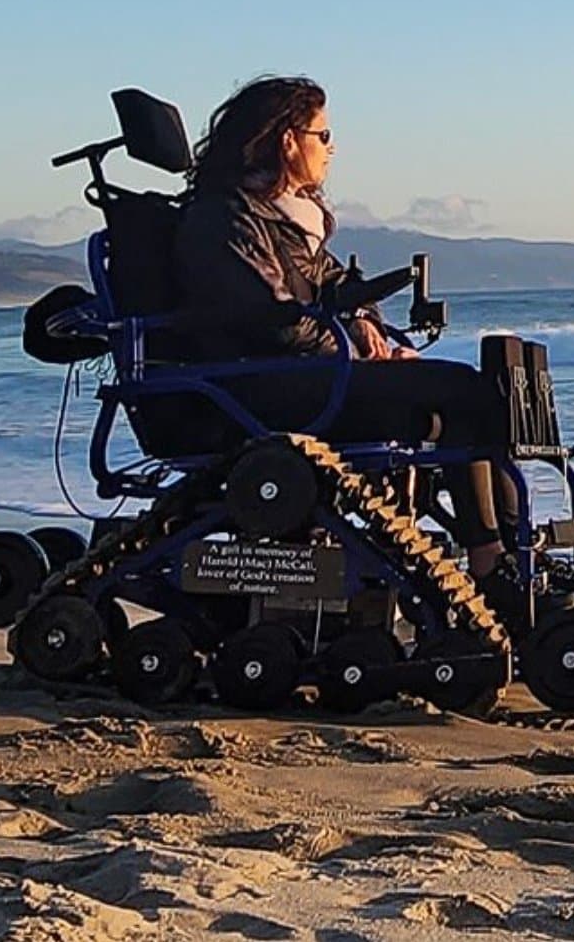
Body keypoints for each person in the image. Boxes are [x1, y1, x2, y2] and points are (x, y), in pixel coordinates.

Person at [172, 75, 549, 612]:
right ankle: (491, 565)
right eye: (323, 136)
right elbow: (275, 324)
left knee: (473, 394)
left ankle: (507, 553)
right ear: (287, 140)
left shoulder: (286, 220)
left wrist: (372, 331)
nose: (332, 148)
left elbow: (341, 290)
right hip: (261, 390)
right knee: (462, 390)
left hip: (302, 375)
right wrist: (352, 339)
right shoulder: (228, 220)